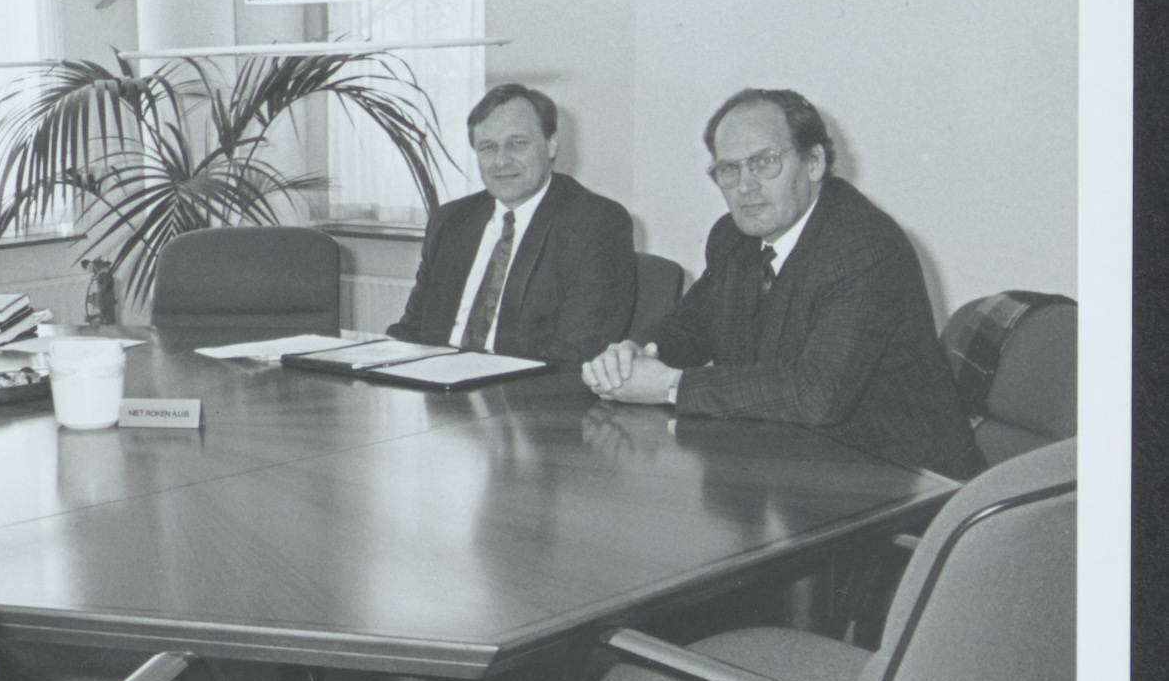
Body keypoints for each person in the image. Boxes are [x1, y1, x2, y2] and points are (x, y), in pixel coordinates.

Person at [581, 88, 984, 481]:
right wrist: (634, 353)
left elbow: (818, 392)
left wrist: (672, 385)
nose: (746, 185)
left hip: (906, 481)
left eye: (765, 162)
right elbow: (691, 327)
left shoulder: (864, 248)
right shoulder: (733, 237)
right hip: (796, 465)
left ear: (814, 162)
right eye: (729, 169)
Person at [386, 83, 635, 364]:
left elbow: (578, 353)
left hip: (526, 389)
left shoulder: (596, 223)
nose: (501, 161)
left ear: (551, 144)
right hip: (435, 380)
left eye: (517, 143)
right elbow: (411, 331)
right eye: (487, 147)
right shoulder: (450, 221)